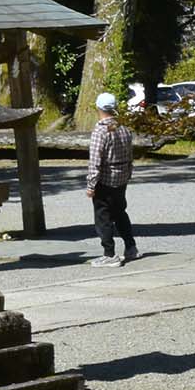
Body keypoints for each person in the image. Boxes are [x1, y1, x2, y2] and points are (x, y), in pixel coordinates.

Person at [85, 91, 138, 267]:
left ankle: (109, 254)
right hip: (122, 177)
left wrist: (91, 184)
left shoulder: (100, 131)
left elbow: (95, 161)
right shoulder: (123, 128)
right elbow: (130, 155)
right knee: (120, 212)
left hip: (105, 180)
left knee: (103, 217)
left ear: (98, 107)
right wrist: (128, 174)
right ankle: (131, 247)